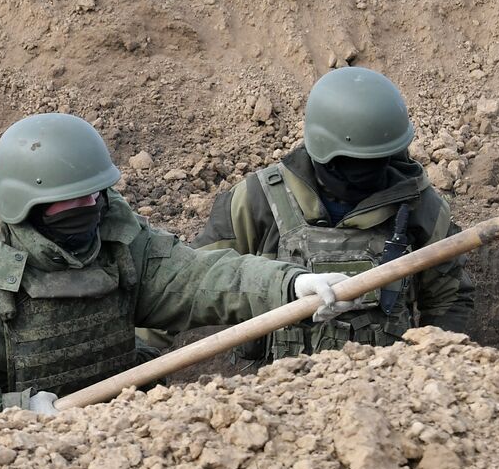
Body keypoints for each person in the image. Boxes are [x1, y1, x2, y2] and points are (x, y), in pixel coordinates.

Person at [0, 112, 356, 429]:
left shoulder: (122, 242)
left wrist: (288, 283)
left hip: (126, 438)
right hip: (20, 465)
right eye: (73, 199)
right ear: (27, 205)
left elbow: (198, 278)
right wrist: (17, 411)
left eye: (97, 193)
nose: (90, 207)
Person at [184, 67, 474, 362]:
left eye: (376, 161)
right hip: (273, 395)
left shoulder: (418, 205)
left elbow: (449, 296)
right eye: (353, 163)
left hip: (386, 394)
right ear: (324, 152)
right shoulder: (257, 200)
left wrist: (433, 367)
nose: (365, 173)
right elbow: (190, 281)